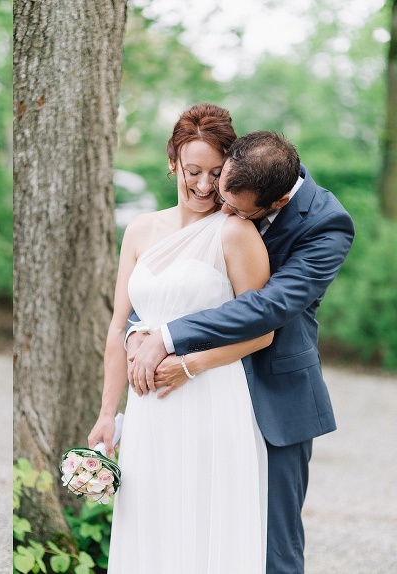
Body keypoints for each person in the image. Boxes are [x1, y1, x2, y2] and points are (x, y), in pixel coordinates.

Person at [125, 130, 355, 573]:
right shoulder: (237, 173)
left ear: (277, 203)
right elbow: (173, 278)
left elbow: (267, 307)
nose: (218, 205)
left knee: (272, 548)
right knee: (192, 531)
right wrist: (140, 330)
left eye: (235, 208)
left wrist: (169, 336)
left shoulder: (327, 225)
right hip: (199, 400)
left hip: (274, 394)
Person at [88, 103, 273, 572]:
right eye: (193, 171)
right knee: (151, 522)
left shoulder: (235, 233)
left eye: (216, 172)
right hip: (148, 408)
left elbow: (263, 332)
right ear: (172, 162)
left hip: (210, 397)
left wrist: (191, 365)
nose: (205, 186)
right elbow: (118, 326)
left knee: (206, 525)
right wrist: (108, 415)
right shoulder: (140, 229)